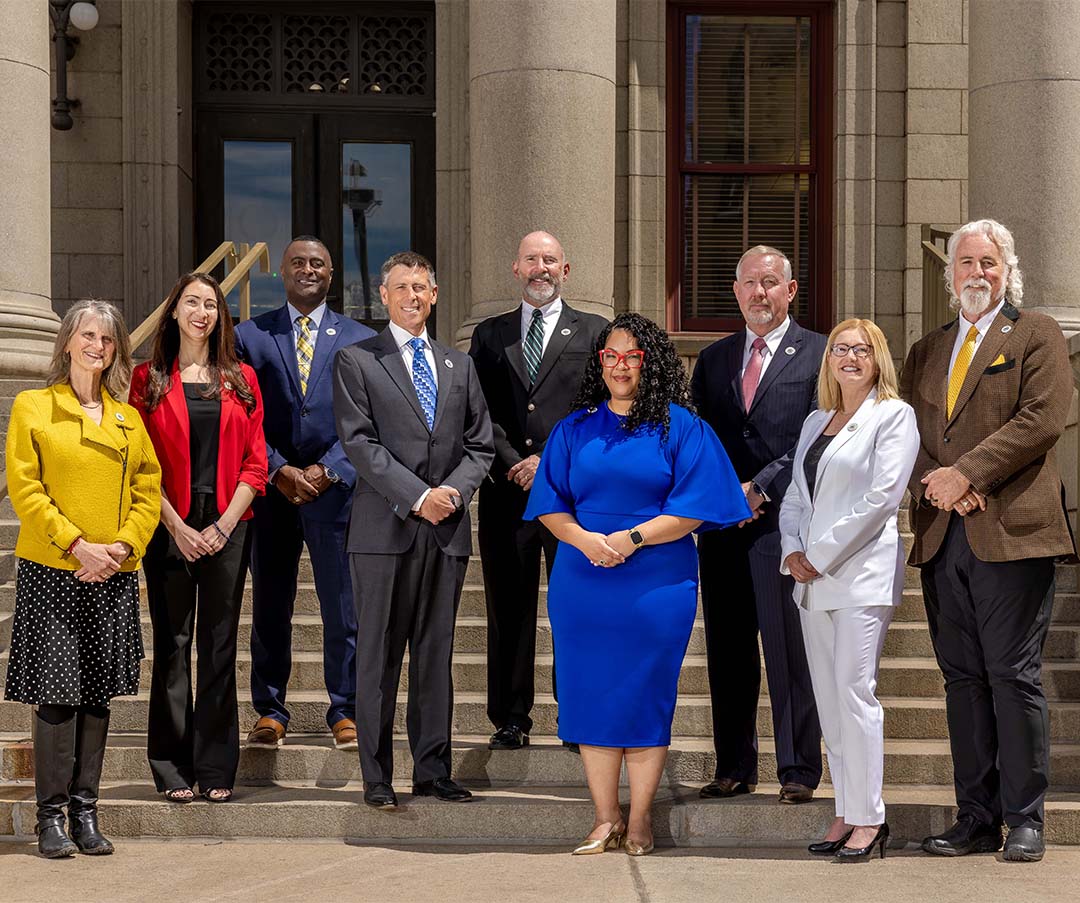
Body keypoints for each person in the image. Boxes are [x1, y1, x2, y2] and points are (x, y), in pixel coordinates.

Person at [524, 313, 751, 856]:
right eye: (610, 356)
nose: (620, 365)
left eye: (631, 356)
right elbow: (549, 503)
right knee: (590, 694)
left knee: (646, 694)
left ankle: (642, 817)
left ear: (650, 362)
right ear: (599, 364)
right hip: (583, 579)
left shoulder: (682, 427)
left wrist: (631, 538)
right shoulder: (573, 428)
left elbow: (696, 508)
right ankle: (605, 818)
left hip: (656, 579)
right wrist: (584, 541)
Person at [900, 219, 1074, 863]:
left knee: (1013, 676)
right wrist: (936, 483)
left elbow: (1043, 418)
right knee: (962, 682)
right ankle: (974, 816)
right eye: (964, 262)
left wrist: (965, 473)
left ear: (1007, 270)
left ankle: (1025, 817)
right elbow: (903, 433)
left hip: (1013, 533)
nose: (976, 272)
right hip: (945, 536)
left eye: (987, 262)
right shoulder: (926, 349)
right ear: (949, 277)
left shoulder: (1036, 334)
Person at [333, 251, 494, 809]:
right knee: (377, 656)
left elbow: (481, 444)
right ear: (383, 295)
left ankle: (432, 770)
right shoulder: (357, 361)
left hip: (445, 533)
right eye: (401, 286)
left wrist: (451, 493)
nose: (412, 296)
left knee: (434, 655)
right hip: (384, 533)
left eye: (421, 287)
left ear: (435, 293)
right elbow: (359, 443)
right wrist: (418, 496)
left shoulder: (459, 366)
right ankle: (377, 778)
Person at [4, 299, 161, 858]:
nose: (97, 346)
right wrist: (77, 544)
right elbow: (25, 488)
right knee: (56, 698)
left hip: (113, 571)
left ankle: (86, 813)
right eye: (87, 335)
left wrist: (122, 545)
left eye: (108, 339)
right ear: (67, 342)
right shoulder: (34, 406)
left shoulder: (127, 417)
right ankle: (50, 819)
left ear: (116, 350)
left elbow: (148, 488)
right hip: (54, 568)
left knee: (97, 697)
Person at [778, 319, 919, 861]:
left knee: (856, 694)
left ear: (878, 358)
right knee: (831, 701)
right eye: (841, 350)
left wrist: (818, 554)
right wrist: (793, 551)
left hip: (859, 577)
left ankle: (870, 818)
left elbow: (883, 498)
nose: (850, 358)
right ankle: (844, 808)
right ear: (829, 360)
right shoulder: (816, 421)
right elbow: (796, 496)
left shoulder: (893, 416)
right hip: (811, 582)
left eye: (862, 350)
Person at [691, 245, 826, 804]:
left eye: (770, 283)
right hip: (723, 525)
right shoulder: (714, 359)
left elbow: (819, 435)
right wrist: (726, 493)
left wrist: (762, 486)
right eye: (749, 283)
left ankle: (797, 769)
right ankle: (734, 766)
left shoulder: (818, 353)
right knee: (728, 649)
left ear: (790, 291)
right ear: (736, 291)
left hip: (784, 525)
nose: (759, 293)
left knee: (789, 649)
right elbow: (699, 438)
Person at [130, 273, 268, 803]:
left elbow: (256, 464)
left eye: (211, 304)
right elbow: (141, 468)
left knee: (218, 647)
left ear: (220, 317)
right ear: (174, 312)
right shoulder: (147, 380)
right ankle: (170, 766)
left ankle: (215, 768)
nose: (202, 312)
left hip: (228, 528)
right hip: (169, 529)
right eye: (192, 302)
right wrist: (178, 527)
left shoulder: (242, 379)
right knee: (172, 646)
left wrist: (223, 525)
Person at [234, 236, 375, 751]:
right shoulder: (249, 334)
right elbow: (243, 414)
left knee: (344, 608)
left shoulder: (360, 337)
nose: (308, 270)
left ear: (331, 274)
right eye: (298, 262)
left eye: (318, 263)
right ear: (283, 272)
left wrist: (329, 469)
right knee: (271, 604)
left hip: (335, 492)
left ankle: (346, 709)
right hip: (270, 493)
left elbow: (365, 417)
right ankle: (270, 710)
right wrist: (277, 470)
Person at [468, 230, 607, 750]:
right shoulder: (490, 334)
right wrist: (514, 462)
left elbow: (598, 409)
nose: (540, 268)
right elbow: (477, 410)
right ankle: (510, 717)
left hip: (571, 494)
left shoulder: (594, 332)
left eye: (550, 259)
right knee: (509, 606)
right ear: (516, 267)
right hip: (507, 493)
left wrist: (547, 460)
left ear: (565, 270)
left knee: (575, 606)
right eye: (531, 259)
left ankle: (578, 715)